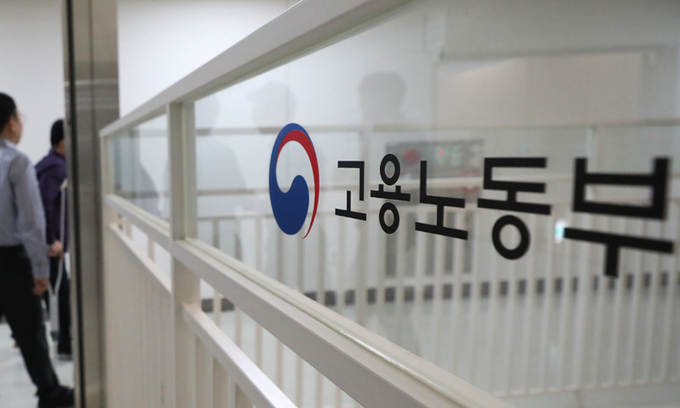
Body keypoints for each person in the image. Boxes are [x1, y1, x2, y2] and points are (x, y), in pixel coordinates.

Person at [0, 93, 74, 407]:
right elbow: (32, 223)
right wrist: (41, 270)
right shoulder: (16, 161)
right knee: (30, 330)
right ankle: (50, 393)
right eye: (19, 117)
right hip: (10, 262)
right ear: (11, 122)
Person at [36, 119, 72, 359]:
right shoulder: (56, 170)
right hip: (50, 245)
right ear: (62, 143)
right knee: (60, 294)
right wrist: (52, 240)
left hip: (46, 243)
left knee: (56, 293)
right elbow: (45, 206)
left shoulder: (48, 164)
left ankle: (62, 341)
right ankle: (65, 345)